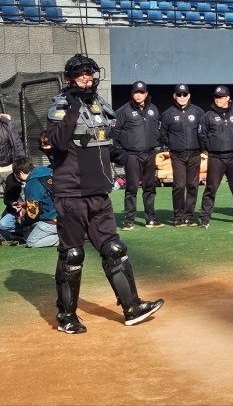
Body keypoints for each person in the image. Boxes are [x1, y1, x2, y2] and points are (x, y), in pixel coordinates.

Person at [47, 53, 163, 334]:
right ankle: (66, 316)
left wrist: (122, 155)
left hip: (99, 193)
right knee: (72, 254)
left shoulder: (100, 105)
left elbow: (103, 144)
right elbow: (58, 143)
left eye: (90, 73)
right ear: (68, 79)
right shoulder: (61, 107)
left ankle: (132, 307)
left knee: (114, 249)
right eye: (80, 74)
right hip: (71, 194)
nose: (87, 78)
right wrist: (74, 106)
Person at [198, 85, 233, 227]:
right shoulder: (207, 116)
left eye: (221, 97)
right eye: (216, 97)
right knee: (211, 188)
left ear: (228, 98)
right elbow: (202, 135)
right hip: (216, 157)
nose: (218, 99)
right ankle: (205, 218)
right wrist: (210, 148)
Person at [112, 81, 164, 230]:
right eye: (136, 92)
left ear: (146, 94)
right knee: (131, 188)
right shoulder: (124, 111)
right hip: (132, 155)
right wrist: (125, 146)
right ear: (132, 94)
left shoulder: (153, 109)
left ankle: (151, 219)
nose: (139, 95)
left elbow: (158, 128)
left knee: (150, 188)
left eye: (141, 92)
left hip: (150, 154)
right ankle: (129, 221)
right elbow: (114, 131)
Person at [160, 84, 204, 227]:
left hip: (194, 154)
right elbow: (163, 133)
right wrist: (172, 145)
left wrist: (201, 147)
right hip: (177, 155)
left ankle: (189, 216)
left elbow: (203, 132)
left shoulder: (198, 112)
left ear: (189, 95)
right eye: (179, 94)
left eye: (185, 94)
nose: (182, 97)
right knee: (179, 186)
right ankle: (178, 216)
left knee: (192, 185)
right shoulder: (168, 114)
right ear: (175, 96)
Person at [16, 159, 59, 248]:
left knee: (31, 242)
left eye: (17, 174)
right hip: (70, 214)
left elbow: (33, 214)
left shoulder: (32, 183)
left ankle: (69, 238)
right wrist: (26, 204)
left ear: (21, 172)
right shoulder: (50, 171)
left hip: (53, 219)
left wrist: (22, 221)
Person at [0, 157, 30, 239]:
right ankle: (23, 230)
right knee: (2, 224)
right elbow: (7, 197)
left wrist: (26, 206)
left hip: (33, 207)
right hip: (17, 209)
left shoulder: (34, 178)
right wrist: (12, 204)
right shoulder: (11, 179)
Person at [0, 113, 25, 185]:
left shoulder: (7, 124)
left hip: (10, 167)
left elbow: (17, 144)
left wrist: (21, 163)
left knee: (13, 192)